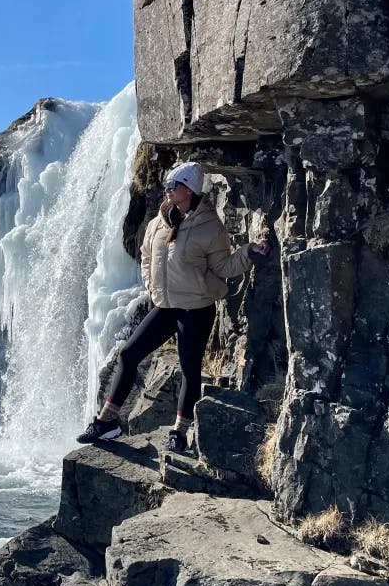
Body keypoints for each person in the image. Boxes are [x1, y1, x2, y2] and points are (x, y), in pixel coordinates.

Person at [76, 161, 269, 452]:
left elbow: (223, 266)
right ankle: (107, 421)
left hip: (195, 307)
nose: (166, 190)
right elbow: (145, 255)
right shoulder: (158, 222)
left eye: (172, 186)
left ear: (189, 190)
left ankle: (180, 432)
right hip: (165, 305)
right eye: (166, 185)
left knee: (189, 369)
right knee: (128, 355)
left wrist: (248, 253)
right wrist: (150, 285)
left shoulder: (209, 227)